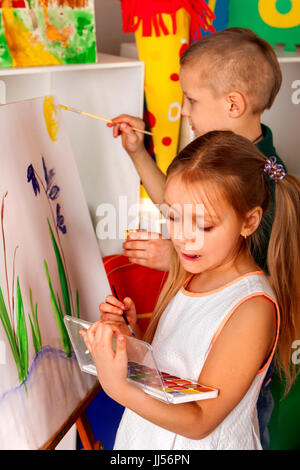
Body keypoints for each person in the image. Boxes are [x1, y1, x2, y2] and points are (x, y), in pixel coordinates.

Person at [107, 27, 287, 448]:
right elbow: (180, 201)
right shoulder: (212, 162)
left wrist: (170, 255)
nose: (183, 112)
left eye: (190, 100)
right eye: (175, 218)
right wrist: (137, 343)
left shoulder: (262, 185)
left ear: (233, 104)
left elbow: (239, 278)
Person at [81, 131, 300, 450]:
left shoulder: (253, 307)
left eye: (203, 225)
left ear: (249, 221)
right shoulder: (193, 274)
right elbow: (174, 374)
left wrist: (118, 388)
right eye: (173, 215)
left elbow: (200, 420)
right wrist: (131, 339)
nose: (182, 236)